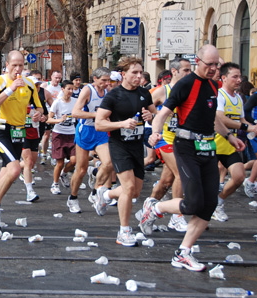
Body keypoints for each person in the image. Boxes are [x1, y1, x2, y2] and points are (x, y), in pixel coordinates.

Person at [145, 45, 245, 271]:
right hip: (186, 146)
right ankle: (156, 208)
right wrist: (155, 133)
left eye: (216, 65)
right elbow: (163, 114)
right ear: (198, 61)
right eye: (208, 64)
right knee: (192, 203)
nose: (212, 69)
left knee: (208, 205)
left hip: (208, 145)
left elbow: (213, 118)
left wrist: (229, 137)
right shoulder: (185, 84)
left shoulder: (214, 85)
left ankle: (183, 253)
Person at [0, 51, 43, 229]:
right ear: (7, 65)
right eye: (14, 65)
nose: (18, 69)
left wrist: (37, 114)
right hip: (0, 130)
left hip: (18, 133)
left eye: (21, 65)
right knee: (13, 170)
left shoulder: (29, 84)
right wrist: (10, 89)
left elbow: (39, 108)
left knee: (4, 175)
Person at [95, 57, 157, 247]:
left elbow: (155, 115)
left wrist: (150, 116)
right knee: (129, 188)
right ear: (124, 75)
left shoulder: (145, 94)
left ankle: (105, 195)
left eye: (141, 73)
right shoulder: (113, 96)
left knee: (135, 192)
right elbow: (99, 124)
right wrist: (121, 123)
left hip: (136, 146)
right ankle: (124, 231)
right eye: (134, 73)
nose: (139, 76)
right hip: (119, 145)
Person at [136, 58, 191, 232]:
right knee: (182, 173)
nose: (190, 74)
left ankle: (148, 208)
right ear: (174, 72)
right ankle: (177, 216)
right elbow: (143, 107)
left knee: (167, 180)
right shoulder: (162, 91)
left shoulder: (190, 91)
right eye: (186, 71)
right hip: (163, 138)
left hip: (182, 139)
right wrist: (148, 116)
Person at [210, 63, 257, 222]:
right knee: (208, 183)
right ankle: (201, 213)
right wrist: (247, 127)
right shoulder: (219, 95)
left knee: (239, 177)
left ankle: (219, 202)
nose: (239, 80)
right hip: (212, 143)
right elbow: (220, 118)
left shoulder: (238, 98)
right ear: (224, 78)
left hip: (230, 144)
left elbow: (242, 120)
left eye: (240, 76)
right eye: (235, 76)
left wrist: (255, 128)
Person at [69, 67, 111, 214]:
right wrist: (96, 115)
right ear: (95, 79)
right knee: (81, 170)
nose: (107, 83)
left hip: (101, 131)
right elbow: (75, 112)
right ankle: (73, 198)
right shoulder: (88, 90)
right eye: (103, 80)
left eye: (108, 80)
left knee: (109, 163)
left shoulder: (107, 91)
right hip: (85, 131)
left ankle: (94, 192)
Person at [19, 74, 48, 202]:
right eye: (33, 86)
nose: (36, 88)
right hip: (21, 133)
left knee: (30, 163)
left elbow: (45, 115)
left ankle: (16, 167)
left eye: (37, 86)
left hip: (35, 134)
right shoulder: (18, 100)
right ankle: (30, 191)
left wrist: (42, 117)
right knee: (28, 160)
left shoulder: (38, 102)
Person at [47, 80, 77, 195]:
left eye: (72, 89)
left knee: (74, 160)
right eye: (68, 89)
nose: (70, 91)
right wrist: (59, 120)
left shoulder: (75, 101)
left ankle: (64, 173)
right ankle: (54, 184)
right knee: (59, 162)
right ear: (62, 89)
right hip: (59, 134)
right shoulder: (57, 103)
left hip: (72, 134)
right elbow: (49, 119)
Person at [40, 70, 62, 163]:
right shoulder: (45, 85)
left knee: (55, 136)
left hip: (57, 114)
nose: (57, 80)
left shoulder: (61, 87)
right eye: (56, 77)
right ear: (51, 77)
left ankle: (54, 156)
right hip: (47, 113)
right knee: (46, 135)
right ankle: (44, 154)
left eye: (59, 78)